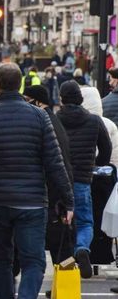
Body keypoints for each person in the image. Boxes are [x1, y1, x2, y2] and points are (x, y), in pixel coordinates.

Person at [0, 63, 74, 298]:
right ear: (20, 84)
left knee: (0, 261)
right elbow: (55, 163)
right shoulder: (39, 116)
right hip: (32, 201)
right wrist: (68, 200)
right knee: (33, 262)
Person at [23, 85, 75, 298]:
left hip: (51, 195)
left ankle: (64, 290)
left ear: (37, 101)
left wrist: (64, 198)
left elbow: (56, 163)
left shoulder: (44, 122)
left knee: (51, 246)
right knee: (58, 245)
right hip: (57, 194)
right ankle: (62, 289)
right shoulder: (53, 120)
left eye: (27, 99)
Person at [57, 80, 112, 278]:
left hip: (59, 180)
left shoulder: (55, 120)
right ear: (80, 99)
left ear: (61, 98)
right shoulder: (94, 121)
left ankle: (64, 269)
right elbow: (106, 149)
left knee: (61, 224)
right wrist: (95, 164)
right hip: (82, 178)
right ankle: (82, 248)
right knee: (85, 222)